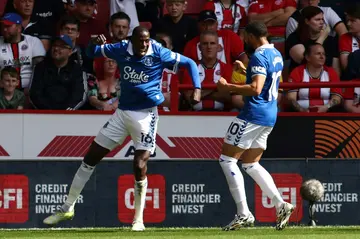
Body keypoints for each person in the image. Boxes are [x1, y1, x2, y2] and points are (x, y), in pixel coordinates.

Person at [42, 26, 201, 231]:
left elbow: (189, 63)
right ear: (131, 40)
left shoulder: (158, 51)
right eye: (140, 41)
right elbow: (93, 53)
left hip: (146, 115)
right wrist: (93, 44)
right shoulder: (121, 48)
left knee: (139, 164)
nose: (144, 45)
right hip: (122, 114)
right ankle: (67, 207)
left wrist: (197, 88)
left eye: (146, 41)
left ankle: (138, 220)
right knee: (90, 157)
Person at [216, 21, 294, 231]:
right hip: (269, 114)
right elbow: (268, 80)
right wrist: (245, 69)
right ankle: (281, 204)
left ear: (251, 35)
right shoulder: (275, 53)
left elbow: (256, 88)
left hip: (253, 113)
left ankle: (244, 214)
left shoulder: (259, 55)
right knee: (250, 164)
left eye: (244, 36)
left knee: (227, 160)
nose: (243, 40)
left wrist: (228, 87)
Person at [287, 43, 342, 112]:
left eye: (323, 54)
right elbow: (291, 98)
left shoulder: (331, 72)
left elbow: (337, 98)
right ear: (307, 57)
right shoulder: (297, 72)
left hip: (327, 113)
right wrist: (302, 110)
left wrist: (326, 107)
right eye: (318, 54)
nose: (322, 56)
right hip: (301, 115)